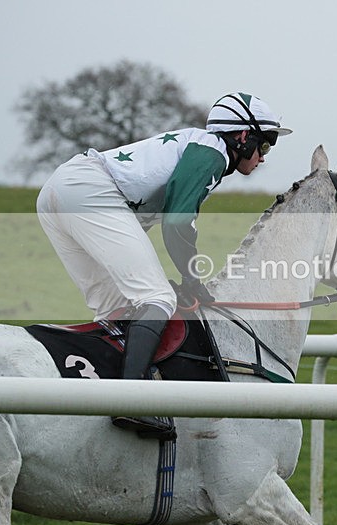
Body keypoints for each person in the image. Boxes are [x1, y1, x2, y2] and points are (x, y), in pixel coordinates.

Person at [36, 92, 291, 435]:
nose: (263, 157)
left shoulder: (199, 148)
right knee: (157, 299)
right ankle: (132, 403)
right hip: (87, 191)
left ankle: (102, 403)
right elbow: (177, 222)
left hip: (58, 192)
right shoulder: (212, 152)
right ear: (242, 136)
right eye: (265, 145)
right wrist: (193, 278)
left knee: (117, 309)